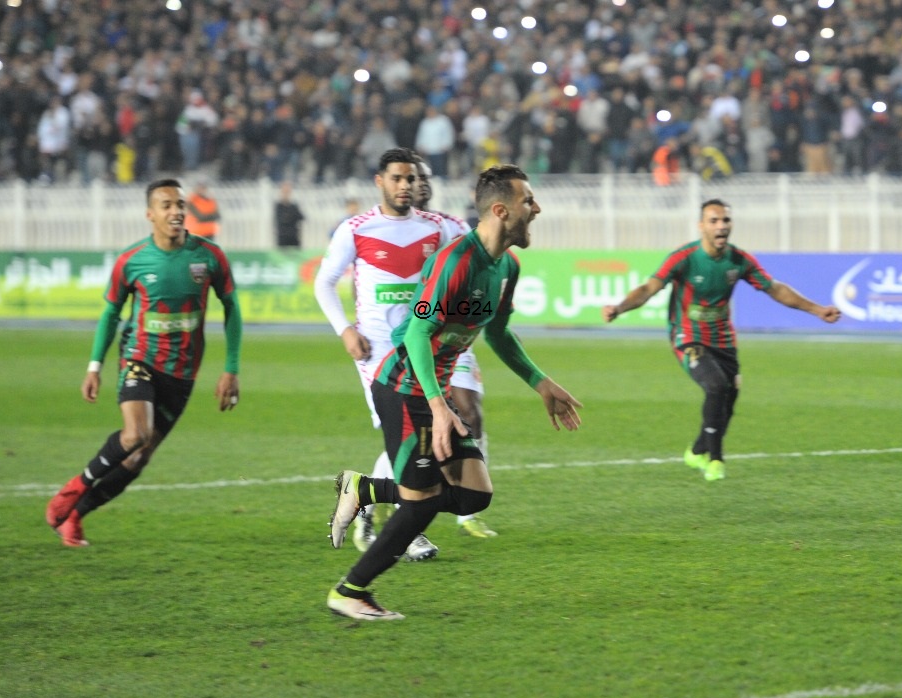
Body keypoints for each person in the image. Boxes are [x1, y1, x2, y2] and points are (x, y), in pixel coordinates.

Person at [326, 164, 583, 620]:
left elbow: (500, 334)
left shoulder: (507, 266)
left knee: (474, 495)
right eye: (529, 201)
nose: (536, 208)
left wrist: (541, 382)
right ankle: (351, 590)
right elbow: (417, 334)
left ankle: (365, 488)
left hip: (431, 392)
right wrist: (440, 406)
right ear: (502, 211)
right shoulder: (455, 263)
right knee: (419, 505)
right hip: (404, 388)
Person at [44, 178, 243, 546]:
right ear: (150, 214)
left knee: (139, 459)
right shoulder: (132, 260)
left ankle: (75, 516)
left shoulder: (209, 256)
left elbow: (231, 307)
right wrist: (94, 366)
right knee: (135, 435)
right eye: (166, 205)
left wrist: (231, 367)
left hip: (183, 373)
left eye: (180, 204)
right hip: (140, 360)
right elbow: (111, 313)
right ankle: (74, 489)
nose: (176, 211)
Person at [602, 198, 840, 481]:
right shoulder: (685, 258)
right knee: (715, 385)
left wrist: (817, 309)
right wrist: (619, 308)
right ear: (701, 226)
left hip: (724, 340)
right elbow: (648, 288)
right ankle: (715, 460)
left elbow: (774, 289)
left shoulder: (739, 261)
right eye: (714, 221)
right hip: (688, 336)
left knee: (728, 398)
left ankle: (696, 450)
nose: (721, 226)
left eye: (725, 220)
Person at [349, 157, 499, 552]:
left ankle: (463, 510)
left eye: (422, 178)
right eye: (411, 179)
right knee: (416, 439)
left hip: (454, 342)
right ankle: (394, 509)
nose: (418, 185)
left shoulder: (450, 227)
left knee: (471, 412)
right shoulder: (388, 230)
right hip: (418, 342)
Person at [314, 147, 452, 562]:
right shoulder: (356, 228)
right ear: (381, 181)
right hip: (376, 352)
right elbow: (325, 283)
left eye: (411, 179)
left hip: (422, 351)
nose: (405, 185)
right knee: (408, 437)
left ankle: (366, 500)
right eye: (397, 178)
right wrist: (345, 331)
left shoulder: (437, 228)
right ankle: (408, 530)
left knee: (411, 438)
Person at [274, 180, 305, 249]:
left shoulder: (293, 206)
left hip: (294, 237)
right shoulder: (279, 206)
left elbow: (301, 217)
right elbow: (282, 219)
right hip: (283, 239)